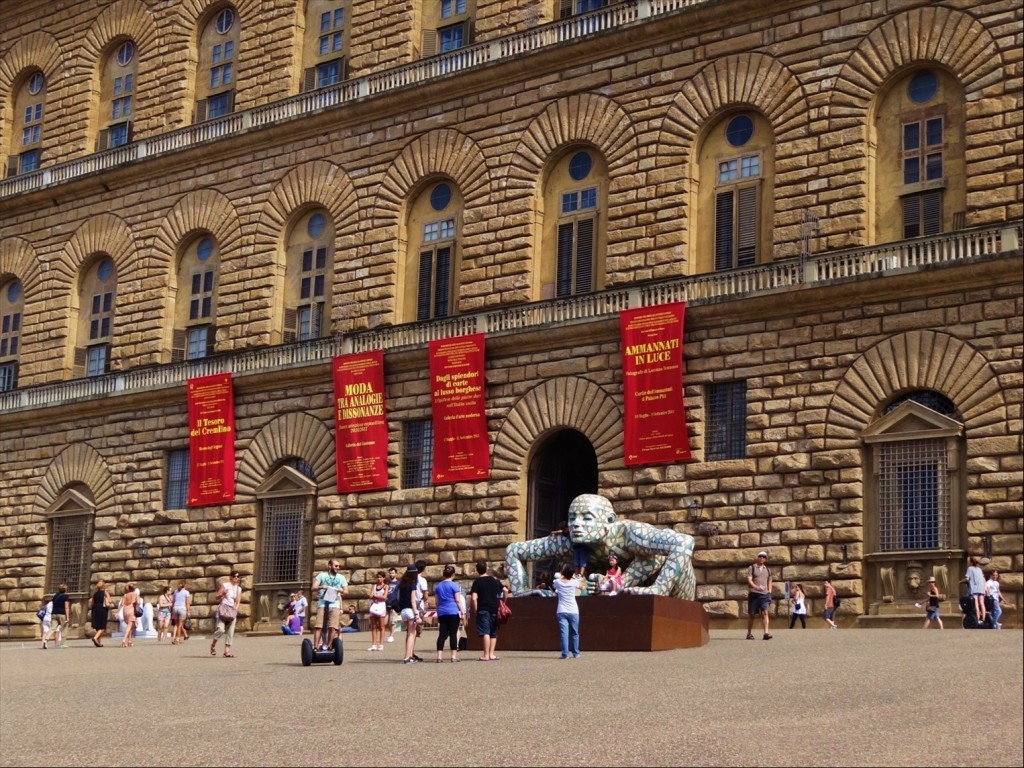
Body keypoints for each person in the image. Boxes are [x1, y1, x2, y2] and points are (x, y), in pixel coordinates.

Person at [469, 561, 507, 661]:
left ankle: (485, 655)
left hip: (483, 608)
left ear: (477, 571)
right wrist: (503, 601)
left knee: (485, 632)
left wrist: (476, 610)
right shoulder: (494, 580)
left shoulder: (477, 582)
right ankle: (491, 654)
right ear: (486, 568)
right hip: (494, 608)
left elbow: (473, 598)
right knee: (493, 632)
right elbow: (505, 590)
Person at [312, 558, 348, 650]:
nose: (338, 568)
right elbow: (313, 587)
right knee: (318, 626)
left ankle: (328, 646)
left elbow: (346, 591)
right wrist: (321, 587)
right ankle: (315, 646)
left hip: (334, 604)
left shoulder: (341, 577)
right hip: (322, 604)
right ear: (329, 566)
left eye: (339, 566)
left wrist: (342, 590)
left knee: (333, 627)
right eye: (336, 566)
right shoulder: (322, 575)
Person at [434, 564, 467, 662]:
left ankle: (439, 656)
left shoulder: (438, 586)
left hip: (442, 612)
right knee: (453, 634)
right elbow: (457, 600)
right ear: (453, 574)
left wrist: (438, 611)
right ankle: (453, 656)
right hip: (452, 611)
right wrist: (462, 611)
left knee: (442, 635)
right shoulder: (454, 585)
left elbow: (436, 602)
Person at [211, 570, 242, 658]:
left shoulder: (238, 589)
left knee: (230, 632)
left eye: (238, 576)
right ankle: (213, 645)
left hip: (232, 611)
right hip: (223, 609)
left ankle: (227, 651)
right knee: (220, 629)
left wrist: (235, 610)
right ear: (231, 577)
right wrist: (222, 595)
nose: (236, 578)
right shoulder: (225, 585)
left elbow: (238, 601)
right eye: (235, 576)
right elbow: (216, 597)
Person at [553, 564, 581, 659]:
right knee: (574, 633)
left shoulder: (558, 582)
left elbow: (557, 581)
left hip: (561, 610)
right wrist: (572, 577)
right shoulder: (574, 582)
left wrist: (562, 574)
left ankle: (565, 654)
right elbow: (582, 587)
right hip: (573, 610)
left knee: (564, 633)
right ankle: (576, 653)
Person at [397, 564, 423, 664]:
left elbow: (398, 598)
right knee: (411, 634)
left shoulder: (401, 584)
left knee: (410, 633)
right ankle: (407, 657)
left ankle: (409, 655)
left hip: (403, 611)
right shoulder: (413, 584)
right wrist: (417, 614)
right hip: (410, 610)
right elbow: (413, 601)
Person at [745, 551, 773, 640]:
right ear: (757, 557)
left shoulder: (767, 569)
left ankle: (766, 633)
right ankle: (749, 633)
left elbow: (769, 581)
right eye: (760, 556)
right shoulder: (752, 567)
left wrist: (769, 592)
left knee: (765, 612)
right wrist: (755, 587)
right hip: (754, 594)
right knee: (752, 615)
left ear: (765, 559)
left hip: (764, 595)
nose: (762, 558)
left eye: (764, 557)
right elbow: (749, 579)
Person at [368, 571, 389, 651]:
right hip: (374, 606)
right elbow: (370, 595)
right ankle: (373, 644)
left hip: (381, 607)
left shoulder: (386, 586)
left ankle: (381, 644)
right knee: (373, 627)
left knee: (381, 626)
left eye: (381, 577)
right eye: (378, 577)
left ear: (383, 578)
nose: (379, 579)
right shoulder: (374, 586)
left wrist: (375, 596)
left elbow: (384, 597)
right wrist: (377, 597)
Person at [45, 583, 71, 649]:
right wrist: (67, 617)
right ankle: (62, 643)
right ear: (65, 589)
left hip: (54, 613)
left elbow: (53, 605)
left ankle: (46, 640)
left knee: (52, 628)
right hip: (62, 614)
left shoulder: (55, 596)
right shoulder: (66, 596)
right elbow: (66, 607)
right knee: (64, 628)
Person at [964, 557, 987, 626]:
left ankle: (977, 619)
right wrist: (985, 588)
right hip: (981, 588)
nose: (968, 562)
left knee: (976, 604)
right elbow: (983, 579)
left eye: (968, 561)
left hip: (974, 588)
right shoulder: (979, 569)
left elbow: (967, 578)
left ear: (971, 562)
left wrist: (960, 582)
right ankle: (983, 619)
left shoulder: (970, 568)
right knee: (982, 604)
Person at [90, 579, 112, 647]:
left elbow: (92, 603)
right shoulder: (105, 592)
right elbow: (110, 600)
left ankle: (98, 642)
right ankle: (95, 638)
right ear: (104, 585)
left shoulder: (95, 594)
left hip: (95, 609)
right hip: (102, 609)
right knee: (102, 626)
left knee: (98, 626)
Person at [171, 580, 191, 645]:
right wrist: (188, 611)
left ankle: (174, 638)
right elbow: (187, 603)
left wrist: (172, 610)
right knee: (180, 625)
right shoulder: (186, 592)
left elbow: (173, 601)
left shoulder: (175, 592)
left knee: (176, 625)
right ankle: (178, 638)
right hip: (182, 608)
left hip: (175, 608)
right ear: (184, 585)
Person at [119, 583, 138, 647]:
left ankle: (129, 641)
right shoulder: (135, 594)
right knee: (129, 626)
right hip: (131, 609)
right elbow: (138, 602)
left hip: (125, 610)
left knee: (129, 626)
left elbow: (122, 604)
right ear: (134, 589)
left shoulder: (125, 595)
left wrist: (118, 612)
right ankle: (124, 639)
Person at [385, 567, 400, 643]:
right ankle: (390, 634)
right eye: (390, 573)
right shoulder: (386, 582)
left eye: (393, 573)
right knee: (386, 622)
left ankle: (391, 635)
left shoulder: (398, 583)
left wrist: (398, 602)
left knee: (392, 621)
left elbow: (400, 593)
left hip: (394, 603)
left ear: (396, 574)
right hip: (386, 603)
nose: (391, 574)